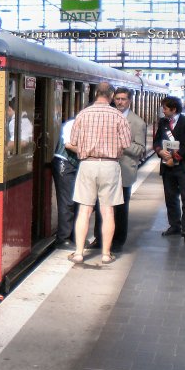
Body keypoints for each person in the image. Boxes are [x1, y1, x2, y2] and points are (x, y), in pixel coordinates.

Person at [67, 82, 131, 265]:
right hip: (110, 165)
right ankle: (105, 254)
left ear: (96, 94)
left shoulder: (83, 114)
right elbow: (126, 144)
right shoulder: (118, 116)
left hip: (87, 164)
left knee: (84, 210)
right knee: (108, 211)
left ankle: (78, 253)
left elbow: (73, 141)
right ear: (111, 96)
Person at [92, 87, 147, 252]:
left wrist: (120, 142)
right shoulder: (107, 117)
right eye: (117, 99)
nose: (120, 102)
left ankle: (118, 241)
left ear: (129, 101)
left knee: (121, 208)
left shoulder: (137, 122)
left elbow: (140, 149)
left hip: (124, 171)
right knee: (101, 204)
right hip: (104, 168)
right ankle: (99, 238)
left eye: (123, 99)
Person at [154, 95, 185, 242]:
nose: (163, 111)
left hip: (183, 167)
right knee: (170, 197)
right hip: (167, 167)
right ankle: (174, 225)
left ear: (174, 109)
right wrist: (160, 151)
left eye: (165, 108)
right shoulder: (163, 123)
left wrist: (174, 159)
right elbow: (157, 140)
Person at [51, 117, 78, 249]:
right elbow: (68, 144)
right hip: (64, 163)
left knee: (76, 201)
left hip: (76, 164)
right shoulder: (71, 124)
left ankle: (73, 235)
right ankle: (63, 238)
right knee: (67, 201)